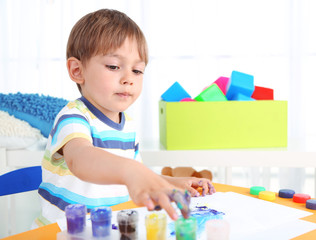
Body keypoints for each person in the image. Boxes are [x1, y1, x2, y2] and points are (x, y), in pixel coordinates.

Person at [34, 9, 215, 227]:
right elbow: (80, 159)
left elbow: (139, 177)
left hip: (108, 230)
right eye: (113, 66)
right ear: (77, 70)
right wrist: (132, 171)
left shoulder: (128, 125)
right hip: (64, 232)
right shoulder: (73, 117)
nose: (128, 78)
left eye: (137, 70)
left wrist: (174, 183)